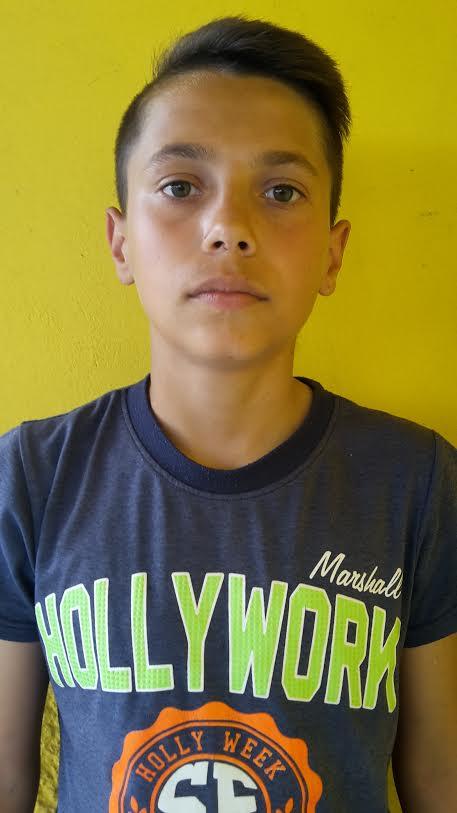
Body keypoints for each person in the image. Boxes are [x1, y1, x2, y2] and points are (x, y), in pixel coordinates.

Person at [0, 14, 456, 813]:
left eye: (281, 192)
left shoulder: (414, 481)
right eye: (181, 186)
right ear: (119, 242)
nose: (229, 228)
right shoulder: (32, 475)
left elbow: (437, 778)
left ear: (332, 252)